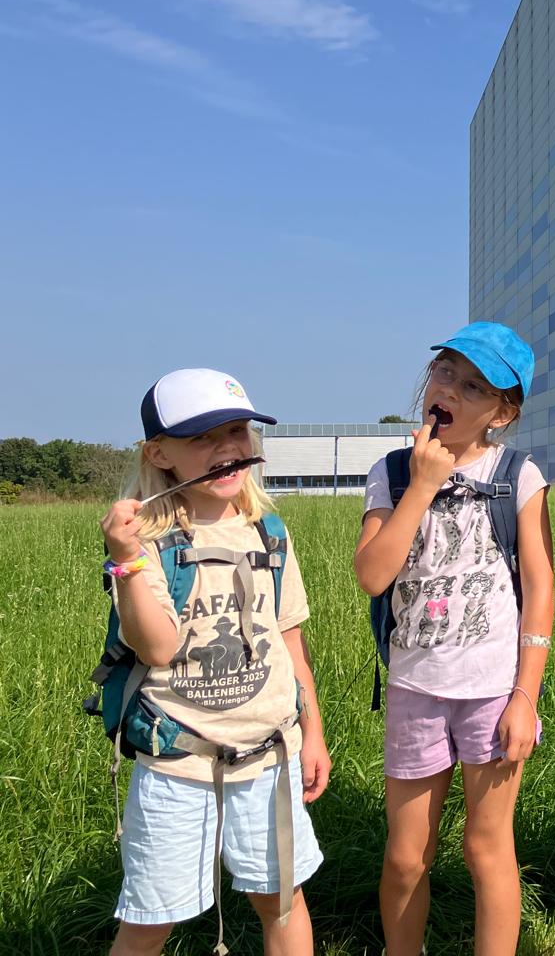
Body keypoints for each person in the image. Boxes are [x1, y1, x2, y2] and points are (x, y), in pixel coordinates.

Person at [97, 368, 329, 956]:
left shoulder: (268, 532)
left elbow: (291, 645)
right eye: (203, 437)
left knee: (283, 902)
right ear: (159, 453)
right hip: (180, 764)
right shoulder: (149, 542)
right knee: (150, 922)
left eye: (236, 432)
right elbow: (156, 648)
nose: (227, 448)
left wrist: (313, 734)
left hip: (271, 757)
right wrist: (126, 560)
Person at [354, 323, 554, 956]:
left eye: (474, 387)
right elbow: (372, 575)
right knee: (406, 856)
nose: (450, 391)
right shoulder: (391, 472)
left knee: (486, 848)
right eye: (445, 372)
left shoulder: (517, 475)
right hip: (415, 687)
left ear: (502, 413)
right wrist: (421, 485)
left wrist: (526, 695)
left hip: (493, 692)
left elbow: (540, 590)